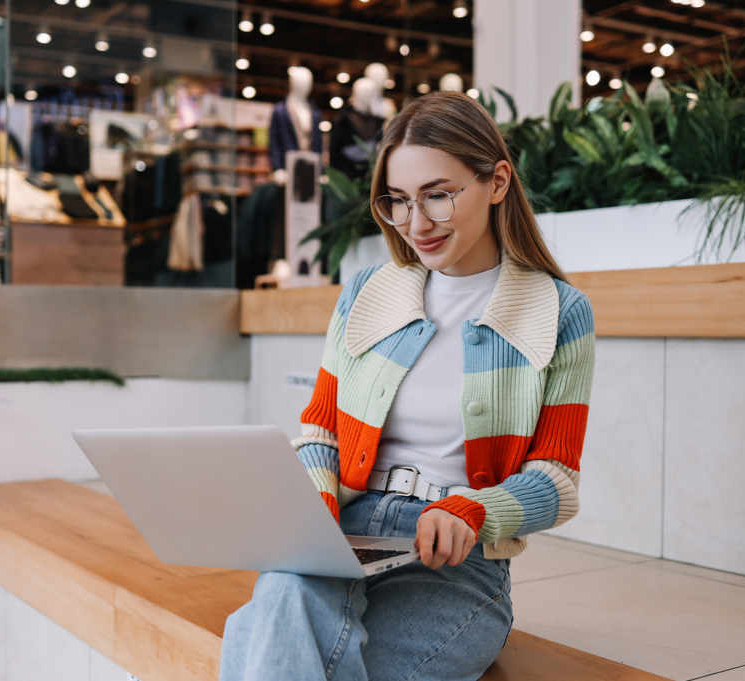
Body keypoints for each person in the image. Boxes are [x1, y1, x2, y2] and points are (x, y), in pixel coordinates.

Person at [219, 91, 596, 681]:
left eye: (438, 197)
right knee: (286, 597)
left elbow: (557, 480)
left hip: (457, 561)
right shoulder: (367, 293)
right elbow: (320, 431)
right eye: (398, 201)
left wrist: (472, 510)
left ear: (497, 182)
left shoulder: (557, 311)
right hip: (346, 530)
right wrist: (311, 508)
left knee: (267, 640)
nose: (416, 225)